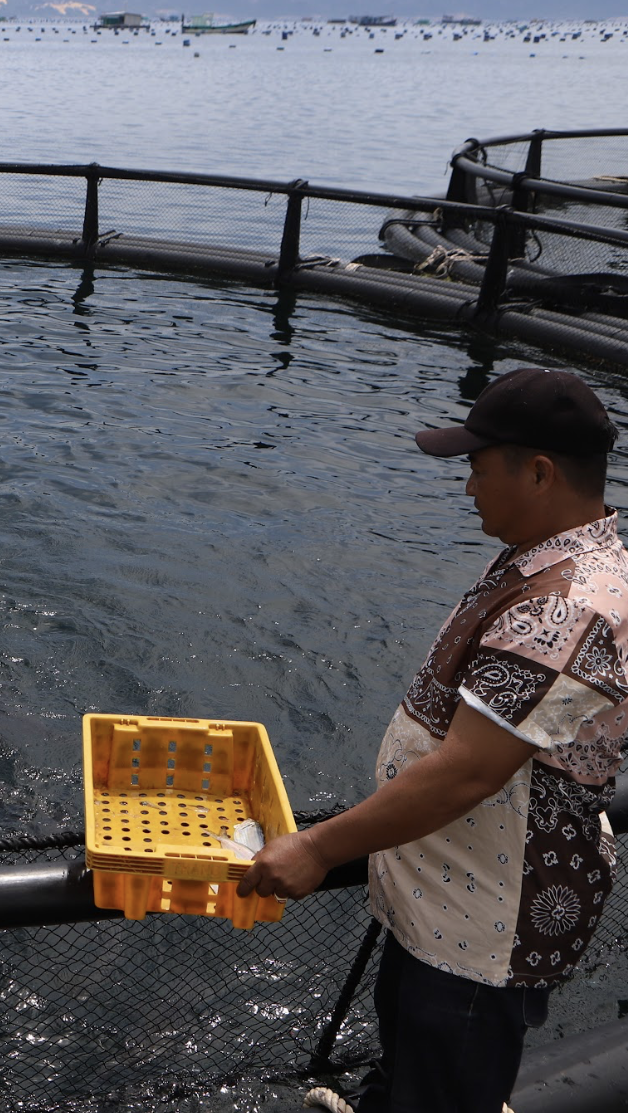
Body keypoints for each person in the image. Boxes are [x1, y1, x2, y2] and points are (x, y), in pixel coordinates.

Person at [238, 367, 628, 1112]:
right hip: (449, 900)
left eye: (479, 470)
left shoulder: (567, 606)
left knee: (444, 1091)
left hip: (483, 927)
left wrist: (318, 849)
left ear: (539, 472)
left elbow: (468, 774)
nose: (469, 487)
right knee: (415, 1067)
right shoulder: (548, 560)